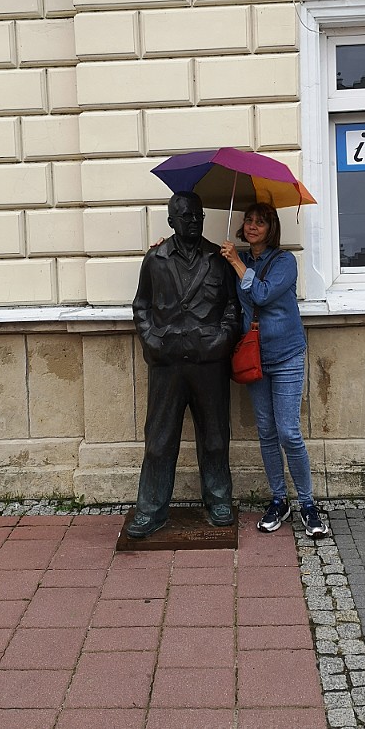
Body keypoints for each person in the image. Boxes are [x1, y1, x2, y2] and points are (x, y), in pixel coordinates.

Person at [127, 191, 240, 538]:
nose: (193, 221)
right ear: (171, 221)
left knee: (215, 437)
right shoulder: (155, 259)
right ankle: (151, 508)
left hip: (209, 362)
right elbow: (141, 306)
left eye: (198, 215)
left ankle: (219, 499)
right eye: (186, 216)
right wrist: (151, 340)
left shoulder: (218, 258)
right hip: (168, 363)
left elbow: (233, 307)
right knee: (159, 440)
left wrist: (222, 338)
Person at [221, 202, 327, 537]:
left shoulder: (284, 262)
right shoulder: (237, 258)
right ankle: (279, 500)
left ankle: (308, 504)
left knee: (288, 432)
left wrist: (237, 263)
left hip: (286, 355)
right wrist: (163, 246)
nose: (252, 227)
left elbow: (263, 295)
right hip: (254, 357)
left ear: (271, 228)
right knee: (266, 432)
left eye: (261, 223)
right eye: (248, 221)